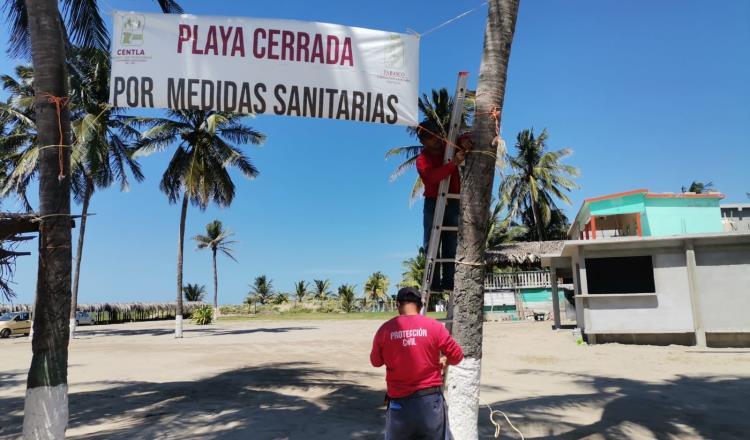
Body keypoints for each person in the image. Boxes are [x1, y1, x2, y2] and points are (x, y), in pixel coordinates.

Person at [370, 287, 464, 439]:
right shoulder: (434, 327)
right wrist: (445, 360)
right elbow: (457, 356)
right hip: (430, 402)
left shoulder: (385, 330)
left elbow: (375, 361)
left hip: (399, 406)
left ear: (398, 304)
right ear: (420, 305)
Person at [415, 120, 472, 291]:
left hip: (453, 200)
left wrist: (464, 142)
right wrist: (453, 163)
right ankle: (433, 283)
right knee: (432, 243)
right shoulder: (422, 159)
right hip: (434, 202)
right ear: (423, 141)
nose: (436, 139)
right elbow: (432, 176)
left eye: (437, 134)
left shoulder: (449, 147)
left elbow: (467, 137)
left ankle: (449, 281)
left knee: (451, 242)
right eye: (430, 137)